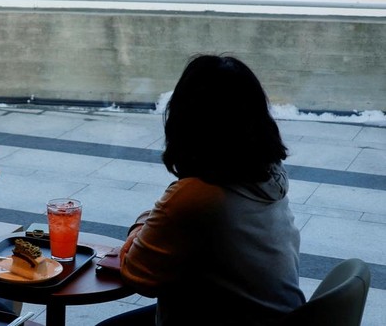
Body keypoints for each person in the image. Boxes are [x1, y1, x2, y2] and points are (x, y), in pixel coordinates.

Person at [96, 55, 306, 326]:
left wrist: (139, 227)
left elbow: (139, 274)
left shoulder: (198, 196)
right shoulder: (269, 174)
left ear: (187, 120)